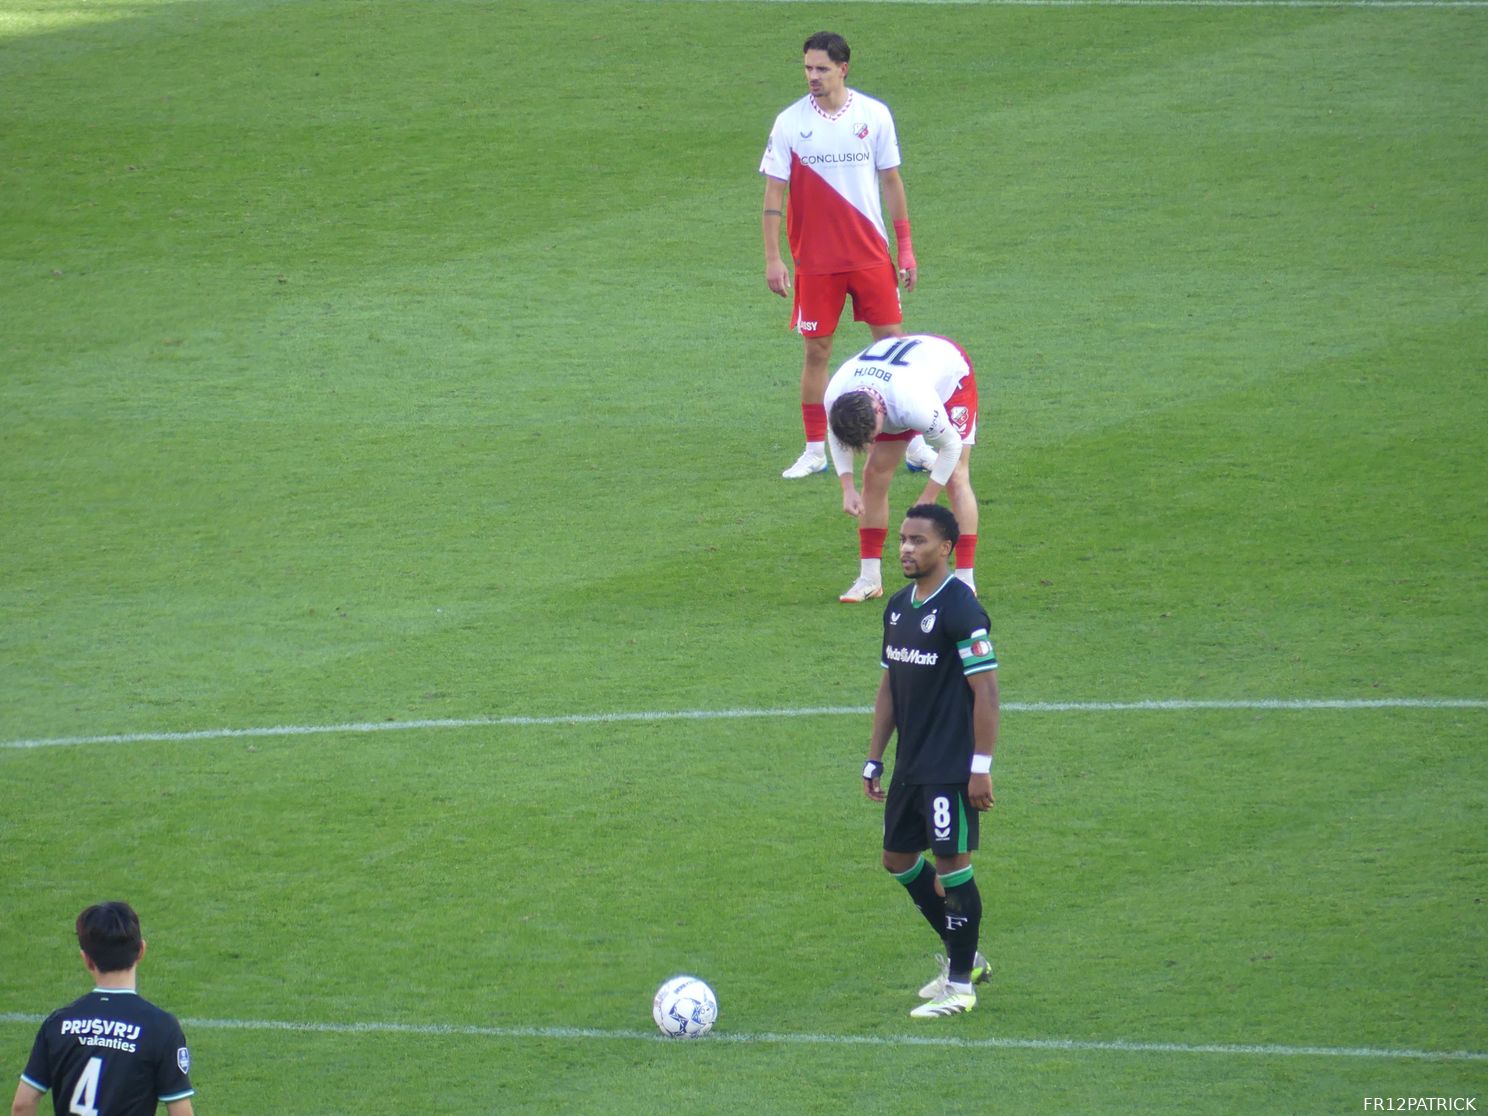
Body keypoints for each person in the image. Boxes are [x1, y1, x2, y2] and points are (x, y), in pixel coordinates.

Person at [759, 31, 935, 479]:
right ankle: (815, 449)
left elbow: (892, 182)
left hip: (870, 254)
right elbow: (773, 195)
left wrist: (907, 248)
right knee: (816, 351)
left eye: (820, 68)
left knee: (894, 348)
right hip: (816, 262)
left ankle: (913, 444)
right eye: (806, 68)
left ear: (843, 68)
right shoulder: (789, 123)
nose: (811, 77)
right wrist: (773, 258)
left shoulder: (874, 115)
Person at [862, 504, 999, 1019]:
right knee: (896, 860)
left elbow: (986, 693)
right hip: (910, 764)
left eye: (918, 541)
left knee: (951, 866)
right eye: (901, 539)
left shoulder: (963, 609)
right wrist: (874, 759)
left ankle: (961, 985)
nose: (904, 548)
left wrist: (980, 765)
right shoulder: (897, 606)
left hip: (949, 764)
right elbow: (889, 687)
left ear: (946, 548)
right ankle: (969, 955)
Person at [825, 333, 981, 603]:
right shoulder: (836, 395)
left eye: (872, 435)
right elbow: (836, 436)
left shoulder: (913, 404)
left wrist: (929, 496)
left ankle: (965, 579)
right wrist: (847, 487)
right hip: (898, 381)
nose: (873, 441)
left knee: (956, 476)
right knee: (873, 474)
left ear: (878, 412)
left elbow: (951, 446)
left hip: (950, 377)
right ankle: (869, 579)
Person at [12, 902, 194, 1116]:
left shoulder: (58, 1023)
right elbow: (180, 1112)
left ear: (87, 960)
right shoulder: (161, 1027)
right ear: (141, 951)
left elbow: (22, 1104)